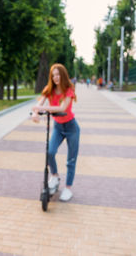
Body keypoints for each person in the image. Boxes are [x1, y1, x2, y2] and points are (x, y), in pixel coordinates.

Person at [31, 63, 80, 202]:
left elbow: (62, 107)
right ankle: (55, 175)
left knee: (71, 160)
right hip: (58, 127)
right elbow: (39, 104)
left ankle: (68, 188)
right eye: (53, 75)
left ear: (63, 75)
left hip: (71, 128)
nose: (55, 78)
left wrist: (43, 108)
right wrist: (35, 113)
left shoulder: (69, 89)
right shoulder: (49, 90)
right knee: (50, 152)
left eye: (58, 74)